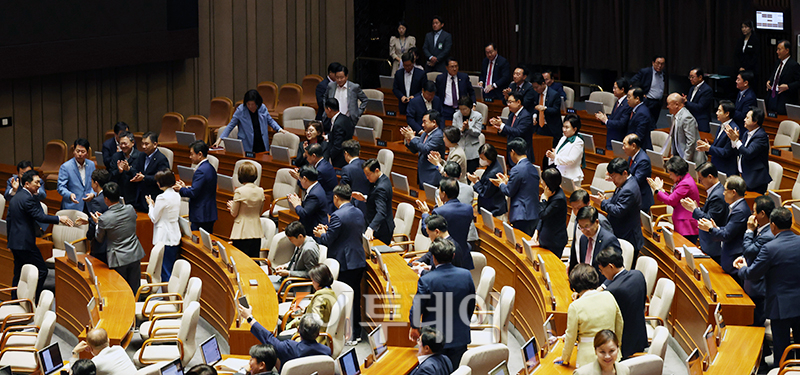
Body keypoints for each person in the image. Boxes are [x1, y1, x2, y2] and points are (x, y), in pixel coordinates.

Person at [734, 207, 800, 362]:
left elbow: (752, 274)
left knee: (782, 348)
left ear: (773, 225)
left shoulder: (770, 248)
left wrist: (742, 269)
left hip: (780, 306)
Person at [408, 238, 475, 368]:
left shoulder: (426, 280)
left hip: (435, 339)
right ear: (453, 256)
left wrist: (415, 326)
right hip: (459, 336)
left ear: (433, 258)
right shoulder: (466, 275)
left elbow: (417, 307)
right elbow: (471, 303)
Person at [314, 184, 367, 342]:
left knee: (343, 300)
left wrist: (321, 234)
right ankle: (356, 333)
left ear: (336, 198)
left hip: (344, 263)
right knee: (355, 297)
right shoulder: (358, 211)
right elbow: (347, 233)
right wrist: (329, 229)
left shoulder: (337, 215)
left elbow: (328, 240)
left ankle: (347, 334)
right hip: (357, 260)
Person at [7, 170, 72, 296]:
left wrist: (10, 242)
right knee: (42, 271)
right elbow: (40, 216)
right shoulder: (27, 199)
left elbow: (9, 220)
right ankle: (33, 298)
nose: (39, 185)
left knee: (19, 272)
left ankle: (15, 299)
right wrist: (59, 219)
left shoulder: (17, 197)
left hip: (15, 243)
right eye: (36, 182)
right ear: (26, 184)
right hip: (25, 244)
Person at [554, 264, 623, 368]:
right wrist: (616, 348)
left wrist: (565, 358)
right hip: (612, 356)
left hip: (588, 360)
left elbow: (570, 336)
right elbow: (619, 324)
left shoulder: (575, 306)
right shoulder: (609, 296)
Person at [239, 309, 330, 371]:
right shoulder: (327, 352)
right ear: (318, 334)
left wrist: (249, 317)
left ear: (298, 330)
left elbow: (268, 338)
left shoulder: (288, 348)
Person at [95, 182, 145, 294]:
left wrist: (98, 223)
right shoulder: (130, 209)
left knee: (121, 291)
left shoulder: (104, 218)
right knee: (134, 289)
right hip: (134, 254)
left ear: (106, 199)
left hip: (118, 258)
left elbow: (99, 238)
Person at [597, 249, 647, 359]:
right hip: (640, 335)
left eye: (601, 270)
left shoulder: (612, 292)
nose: (602, 274)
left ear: (610, 266)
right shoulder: (638, 275)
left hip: (623, 344)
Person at [590, 157, 644, 257]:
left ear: (624, 173)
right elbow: (616, 200)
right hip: (621, 233)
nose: (613, 180)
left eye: (614, 176)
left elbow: (618, 211)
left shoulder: (629, 189)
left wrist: (602, 203)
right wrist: (605, 200)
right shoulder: (626, 182)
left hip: (627, 236)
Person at [698, 175, 750, 277]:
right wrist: (716, 228)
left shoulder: (740, 211)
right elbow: (728, 230)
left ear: (733, 192)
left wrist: (710, 229)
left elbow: (727, 235)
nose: (723, 193)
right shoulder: (736, 207)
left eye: (726, 190)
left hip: (734, 261)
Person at [418, 178, 474, 269]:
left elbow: (427, 231)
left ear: (443, 194)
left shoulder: (439, 211)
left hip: (444, 258)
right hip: (463, 256)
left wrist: (425, 214)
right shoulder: (469, 209)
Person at [682, 162, 729, 266]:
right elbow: (708, 212)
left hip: (713, 246)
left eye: (701, 179)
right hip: (708, 243)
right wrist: (697, 208)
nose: (699, 182)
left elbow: (709, 220)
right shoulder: (715, 191)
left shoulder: (718, 195)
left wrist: (694, 209)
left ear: (710, 177)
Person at [492, 138, 540, 236]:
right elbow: (524, 186)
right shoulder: (533, 168)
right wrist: (507, 181)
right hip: (533, 213)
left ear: (513, 152)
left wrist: (501, 184)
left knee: (520, 244)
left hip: (521, 214)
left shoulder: (516, 169)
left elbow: (509, 191)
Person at [279, 264, 337, 344]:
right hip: (321, 335)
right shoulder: (330, 293)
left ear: (318, 281)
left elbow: (313, 322)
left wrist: (296, 323)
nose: (312, 283)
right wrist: (305, 310)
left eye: (313, 280)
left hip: (313, 340)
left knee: (279, 340)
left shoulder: (320, 298)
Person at [648, 156, 700, 243]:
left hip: (686, 226)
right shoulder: (683, 180)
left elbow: (670, 201)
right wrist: (661, 190)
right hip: (682, 224)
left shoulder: (685, 184)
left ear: (677, 173)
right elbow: (673, 200)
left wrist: (657, 190)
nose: (669, 176)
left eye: (670, 173)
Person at [216, 90, 287, 153]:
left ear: (257, 103)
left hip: (261, 142)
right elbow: (230, 126)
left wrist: (280, 129)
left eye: (252, 104)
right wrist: (220, 139)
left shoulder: (262, 108)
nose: (250, 106)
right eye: (248, 104)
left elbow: (270, 121)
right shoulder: (241, 110)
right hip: (247, 144)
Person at [741, 195, 775, 327]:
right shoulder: (761, 228)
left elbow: (749, 250)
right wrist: (744, 258)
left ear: (762, 213)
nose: (752, 214)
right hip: (754, 284)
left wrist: (749, 231)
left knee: (757, 326)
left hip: (759, 288)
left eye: (754, 211)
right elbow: (754, 252)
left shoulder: (767, 235)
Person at [725, 107, 771, 194]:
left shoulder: (761, 136)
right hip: (745, 175)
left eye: (747, 118)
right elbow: (741, 151)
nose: (744, 119)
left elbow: (749, 153)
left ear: (755, 121)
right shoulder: (746, 133)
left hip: (755, 180)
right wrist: (733, 140)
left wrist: (737, 141)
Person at [569, 206, 621, 283]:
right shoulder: (583, 239)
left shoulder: (609, 240)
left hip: (600, 286)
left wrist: (602, 288)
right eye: (581, 227)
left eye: (587, 226)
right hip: (585, 283)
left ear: (597, 222)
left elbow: (616, 271)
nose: (584, 231)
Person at [175, 140, 217, 233]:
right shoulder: (209, 167)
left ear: (200, 154)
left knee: (198, 243)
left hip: (201, 215)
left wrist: (180, 189)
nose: (190, 157)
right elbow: (201, 190)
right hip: (207, 213)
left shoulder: (201, 170)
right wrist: (185, 187)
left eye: (192, 154)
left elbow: (193, 193)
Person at [146, 170, 181, 281]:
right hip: (174, 234)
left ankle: (167, 295)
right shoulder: (177, 195)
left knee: (164, 270)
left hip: (164, 236)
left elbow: (154, 218)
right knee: (169, 268)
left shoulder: (161, 197)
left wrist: (151, 206)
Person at [228, 162, 265, 258]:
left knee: (240, 259)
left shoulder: (240, 191)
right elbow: (259, 212)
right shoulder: (261, 191)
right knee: (254, 259)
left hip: (241, 231)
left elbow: (234, 213)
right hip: (256, 231)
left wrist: (231, 205)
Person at [401, 109, 446, 188]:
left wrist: (412, 138)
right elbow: (416, 150)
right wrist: (409, 140)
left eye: (425, 122)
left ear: (433, 122)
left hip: (432, 175)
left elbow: (425, 149)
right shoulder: (425, 133)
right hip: (423, 174)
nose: (422, 125)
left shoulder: (438, 135)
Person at [354, 159, 394, 245]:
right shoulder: (382, 179)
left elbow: (381, 212)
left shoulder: (381, 187)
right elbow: (378, 199)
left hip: (381, 230)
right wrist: (364, 198)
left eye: (368, 175)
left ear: (376, 170)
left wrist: (371, 228)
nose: (367, 178)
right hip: (378, 225)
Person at [567, 190, 613, 264]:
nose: (576, 212)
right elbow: (576, 242)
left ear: (588, 204)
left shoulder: (601, 221)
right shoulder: (578, 218)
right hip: (580, 266)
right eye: (573, 208)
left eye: (579, 208)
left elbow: (608, 246)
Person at [69, 328, 136, 375]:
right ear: (108, 340)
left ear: (89, 347)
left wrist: (75, 352)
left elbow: (75, 372)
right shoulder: (119, 349)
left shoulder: (95, 363)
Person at [532, 168, 568, 257]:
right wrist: (537, 231)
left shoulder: (558, 199)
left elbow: (542, 214)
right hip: (545, 238)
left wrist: (544, 200)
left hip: (554, 242)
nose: (541, 182)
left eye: (543, 180)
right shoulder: (551, 192)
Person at [132, 132, 170, 213]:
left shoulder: (161, 159)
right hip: (139, 198)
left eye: (146, 144)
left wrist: (144, 178)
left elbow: (162, 178)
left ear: (155, 144)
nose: (143, 147)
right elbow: (136, 169)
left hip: (153, 198)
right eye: (142, 144)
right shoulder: (142, 155)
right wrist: (131, 171)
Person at [273, 222, 319, 288]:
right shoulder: (301, 241)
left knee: (266, 286)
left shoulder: (309, 249)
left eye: (291, 239)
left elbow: (311, 274)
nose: (290, 241)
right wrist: (285, 266)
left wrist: (288, 273)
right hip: (289, 279)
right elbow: (295, 261)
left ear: (300, 236)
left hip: (297, 285)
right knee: (263, 280)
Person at [490, 92, 534, 161]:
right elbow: (508, 131)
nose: (508, 104)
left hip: (521, 154)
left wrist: (502, 125)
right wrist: (499, 128)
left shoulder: (526, 116)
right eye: (508, 102)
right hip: (512, 153)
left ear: (518, 102)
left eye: (510, 102)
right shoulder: (512, 115)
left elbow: (518, 132)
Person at [696, 101, 737, 176]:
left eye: (719, 111)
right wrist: (708, 147)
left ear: (727, 113)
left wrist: (709, 148)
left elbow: (726, 152)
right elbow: (718, 146)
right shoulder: (721, 126)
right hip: (717, 166)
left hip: (725, 169)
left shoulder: (733, 130)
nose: (716, 113)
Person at [469, 144, 507, 220]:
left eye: (482, 158)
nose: (481, 160)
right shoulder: (492, 165)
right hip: (490, 208)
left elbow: (485, 193)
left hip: (494, 210)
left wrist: (476, 182)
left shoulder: (493, 172)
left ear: (489, 157)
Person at [287, 166, 329, 237]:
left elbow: (304, 214)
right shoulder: (316, 187)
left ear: (305, 179)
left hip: (315, 230)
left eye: (300, 179)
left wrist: (297, 205)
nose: (299, 181)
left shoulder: (314, 194)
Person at [295, 143, 338, 210]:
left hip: (326, 203)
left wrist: (298, 177)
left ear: (314, 156)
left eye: (307, 156)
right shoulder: (324, 164)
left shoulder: (320, 170)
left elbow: (307, 186)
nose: (306, 159)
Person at [57, 138, 96, 211]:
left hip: (89, 205)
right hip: (73, 205)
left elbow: (96, 183)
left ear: (87, 153)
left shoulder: (91, 165)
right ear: (74, 151)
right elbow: (61, 187)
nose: (80, 154)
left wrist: (92, 194)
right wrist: (69, 195)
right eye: (78, 151)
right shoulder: (66, 167)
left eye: (83, 151)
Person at [546, 114, 584, 185]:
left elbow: (571, 160)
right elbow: (557, 154)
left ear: (574, 129)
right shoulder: (563, 138)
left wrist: (555, 157)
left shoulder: (578, 141)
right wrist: (551, 155)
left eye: (567, 127)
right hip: (559, 174)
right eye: (563, 126)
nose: (564, 129)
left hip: (572, 176)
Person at [667, 93, 705, 164]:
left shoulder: (687, 118)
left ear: (676, 104)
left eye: (669, 104)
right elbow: (673, 137)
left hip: (691, 159)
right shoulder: (673, 116)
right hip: (679, 155)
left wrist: (685, 162)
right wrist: (673, 154)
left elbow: (691, 142)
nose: (667, 106)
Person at [595, 78, 632, 150]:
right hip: (611, 138)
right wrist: (603, 118)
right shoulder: (618, 101)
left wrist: (606, 121)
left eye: (615, 88)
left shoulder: (627, 104)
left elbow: (622, 123)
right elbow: (614, 117)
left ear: (622, 89)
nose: (613, 90)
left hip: (619, 140)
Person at [765, 40, 800, 115]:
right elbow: (774, 75)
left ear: (787, 50)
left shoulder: (794, 65)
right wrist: (769, 81)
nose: (777, 52)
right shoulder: (778, 62)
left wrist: (788, 86)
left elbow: (798, 82)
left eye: (779, 49)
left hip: (784, 98)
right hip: (772, 95)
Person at [84, 169, 110, 264]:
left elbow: (94, 223)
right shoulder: (112, 196)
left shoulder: (96, 201)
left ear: (96, 183)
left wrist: (89, 236)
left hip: (101, 245)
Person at [622, 134, 654, 213]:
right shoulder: (632, 156)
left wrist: (620, 178)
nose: (623, 148)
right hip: (633, 197)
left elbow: (635, 180)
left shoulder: (643, 160)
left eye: (624, 145)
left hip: (641, 200)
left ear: (633, 146)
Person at [108, 131, 142, 206]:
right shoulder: (116, 156)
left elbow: (141, 175)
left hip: (135, 195)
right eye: (121, 144)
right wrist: (119, 171)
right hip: (119, 194)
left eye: (125, 143)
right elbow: (111, 176)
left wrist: (129, 169)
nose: (123, 146)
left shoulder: (140, 156)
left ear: (132, 143)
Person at [531, 73, 563, 147]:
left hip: (552, 128)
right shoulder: (536, 93)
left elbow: (556, 110)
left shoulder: (554, 94)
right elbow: (535, 107)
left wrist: (545, 108)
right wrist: (534, 116)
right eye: (534, 88)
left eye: (536, 87)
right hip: (540, 128)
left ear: (543, 84)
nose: (535, 89)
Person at [631, 56, 666, 123]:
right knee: (645, 121)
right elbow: (633, 81)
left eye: (662, 64)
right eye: (658, 63)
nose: (660, 66)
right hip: (648, 101)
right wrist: (641, 93)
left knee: (654, 122)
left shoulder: (663, 73)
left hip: (658, 102)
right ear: (653, 63)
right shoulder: (646, 72)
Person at [452, 96, 483, 173]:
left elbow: (477, 133)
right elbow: (453, 133)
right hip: (459, 148)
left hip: (472, 150)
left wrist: (468, 129)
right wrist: (461, 130)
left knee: (470, 174)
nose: (462, 111)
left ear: (470, 107)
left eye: (465, 109)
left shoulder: (477, 116)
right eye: (461, 109)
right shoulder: (456, 115)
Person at [340, 140, 370, 215]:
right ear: (359, 153)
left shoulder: (346, 169)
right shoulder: (366, 164)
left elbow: (344, 191)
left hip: (353, 207)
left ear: (346, 153)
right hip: (368, 204)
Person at [324, 98, 355, 168]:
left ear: (329, 109)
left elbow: (337, 146)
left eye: (325, 109)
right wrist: (327, 137)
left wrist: (327, 157)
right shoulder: (345, 118)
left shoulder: (338, 124)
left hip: (339, 160)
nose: (325, 112)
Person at [684, 68, 713, 133]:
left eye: (692, 77)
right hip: (691, 119)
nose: (690, 79)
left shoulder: (707, 90)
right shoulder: (692, 88)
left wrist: (686, 102)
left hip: (701, 121)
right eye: (690, 77)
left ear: (700, 77)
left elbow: (700, 107)